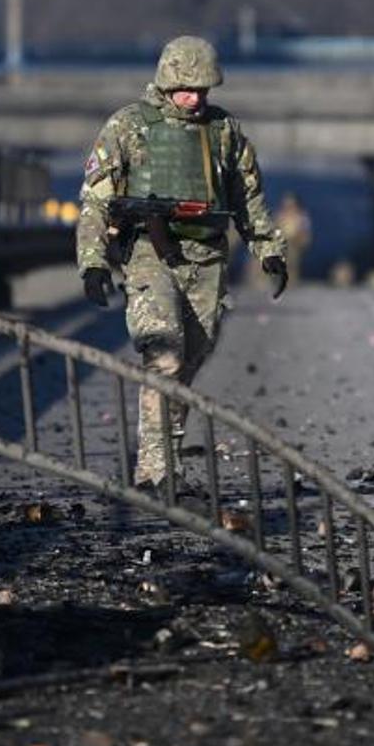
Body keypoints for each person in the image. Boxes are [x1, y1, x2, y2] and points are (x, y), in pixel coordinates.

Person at [76, 36, 288, 489]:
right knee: (165, 354)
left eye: (204, 90)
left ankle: (165, 461)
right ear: (168, 84)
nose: (196, 99)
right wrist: (93, 262)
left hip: (207, 257)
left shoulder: (223, 131)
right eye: (187, 89)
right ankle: (157, 474)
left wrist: (269, 249)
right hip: (150, 254)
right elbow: (95, 201)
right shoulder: (128, 127)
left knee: (191, 357)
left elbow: (247, 196)